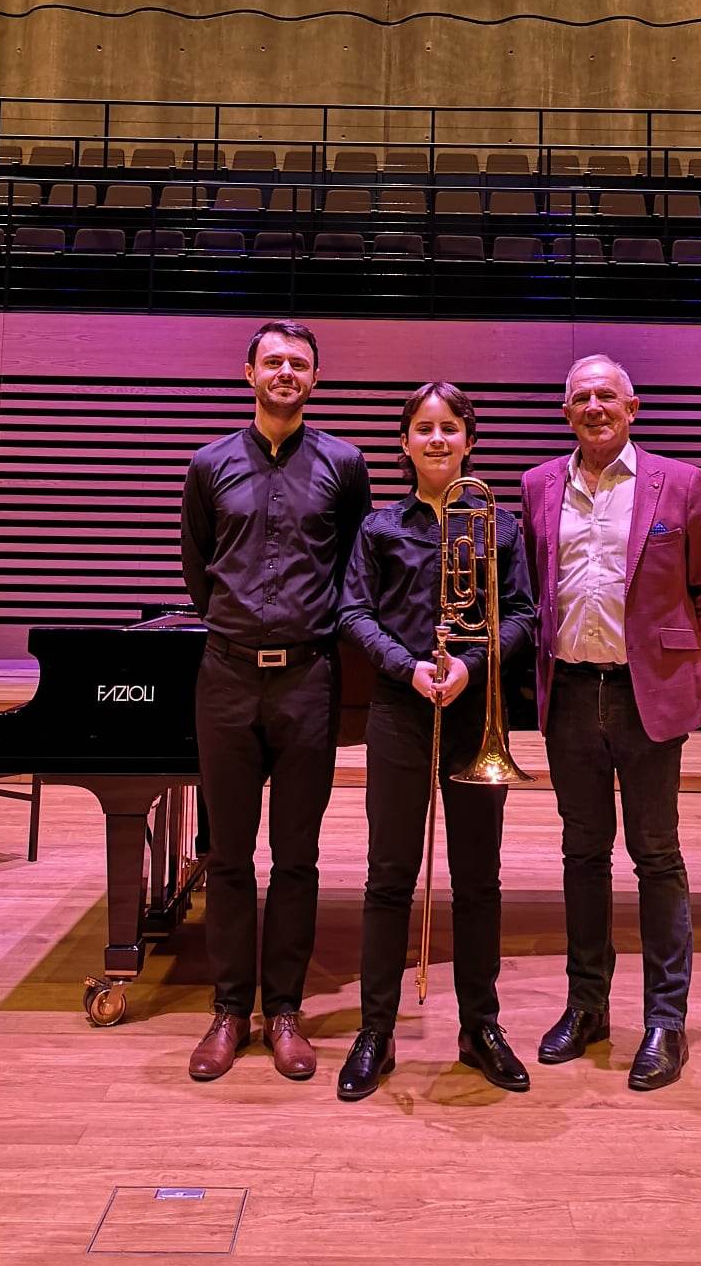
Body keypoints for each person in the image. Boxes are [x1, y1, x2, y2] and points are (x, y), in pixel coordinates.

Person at [519, 354, 701, 1091]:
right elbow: (532, 587)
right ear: (566, 412)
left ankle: (665, 1021)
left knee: (656, 856)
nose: (594, 406)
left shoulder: (681, 482)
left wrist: (662, 654)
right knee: (583, 855)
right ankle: (587, 1008)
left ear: (632, 407)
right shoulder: (537, 485)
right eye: (580, 397)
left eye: (606, 395)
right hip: (570, 695)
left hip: (646, 698)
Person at [181, 320, 372, 1084]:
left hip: (307, 679)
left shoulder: (345, 464)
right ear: (249, 373)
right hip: (226, 676)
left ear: (315, 379)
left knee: (297, 856)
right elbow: (198, 566)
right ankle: (230, 1011)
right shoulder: (208, 464)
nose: (285, 372)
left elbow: (355, 564)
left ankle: (284, 1010)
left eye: (299, 363)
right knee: (228, 855)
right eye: (273, 361)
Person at [335, 382, 537, 1101]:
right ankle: (376, 1031)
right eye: (423, 428)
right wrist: (408, 667)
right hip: (401, 708)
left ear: (469, 440)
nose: (437, 439)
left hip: (475, 711)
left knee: (479, 880)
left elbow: (523, 614)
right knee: (389, 876)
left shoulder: (499, 527)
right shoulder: (379, 527)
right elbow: (353, 611)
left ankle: (481, 1026)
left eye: (450, 427)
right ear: (404, 442)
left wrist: (472, 664)